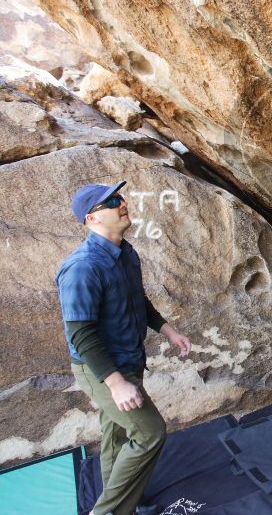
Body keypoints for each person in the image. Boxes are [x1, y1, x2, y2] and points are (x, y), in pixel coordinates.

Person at [56, 181, 192, 515]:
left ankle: (127, 504)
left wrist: (167, 330)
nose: (123, 203)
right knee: (150, 433)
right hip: (101, 369)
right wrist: (116, 383)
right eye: (112, 201)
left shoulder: (126, 253)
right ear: (92, 219)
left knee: (116, 435)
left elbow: (137, 300)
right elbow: (80, 333)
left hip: (129, 359)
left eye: (121, 197)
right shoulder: (82, 267)